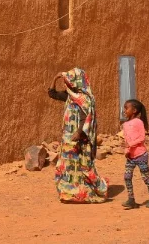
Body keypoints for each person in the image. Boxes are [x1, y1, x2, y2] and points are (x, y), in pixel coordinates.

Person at [47, 67, 109, 203]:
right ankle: (69, 193)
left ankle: (87, 191)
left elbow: (85, 118)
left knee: (82, 164)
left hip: (81, 138)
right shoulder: (70, 96)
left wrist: (78, 132)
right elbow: (52, 94)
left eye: (69, 81)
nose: (67, 84)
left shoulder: (85, 99)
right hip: (68, 137)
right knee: (68, 165)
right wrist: (55, 79)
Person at [122, 98, 149, 209]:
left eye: (126, 108)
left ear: (134, 110)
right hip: (130, 156)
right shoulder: (125, 124)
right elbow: (126, 140)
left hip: (141, 155)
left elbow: (141, 138)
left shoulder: (138, 122)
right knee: (127, 177)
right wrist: (127, 149)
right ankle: (131, 200)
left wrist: (131, 144)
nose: (124, 110)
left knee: (146, 177)